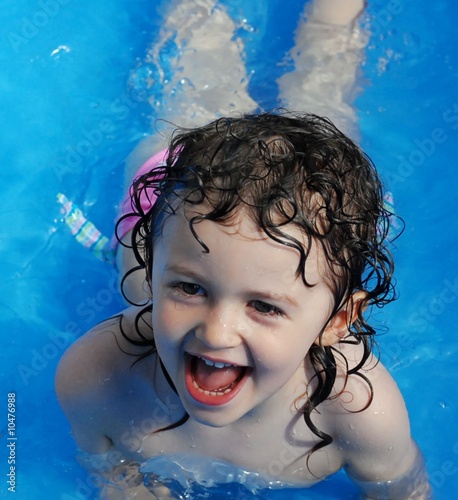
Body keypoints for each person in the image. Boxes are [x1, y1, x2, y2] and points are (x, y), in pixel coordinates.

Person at [56, 1, 431, 499]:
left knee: (323, 99)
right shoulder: (95, 376)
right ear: (155, 269)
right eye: (189, 287)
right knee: (197, 64)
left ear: (338, 321)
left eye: (264, 305)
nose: (216, 331)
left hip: (313, 207)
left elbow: (404, 491)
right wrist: (123, 487)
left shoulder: (361, 416)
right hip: (177, 183)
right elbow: (102, 461)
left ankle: (332, 16)